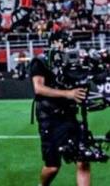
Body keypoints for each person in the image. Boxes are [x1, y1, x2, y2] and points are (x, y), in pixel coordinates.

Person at [30, 32, 90, 186]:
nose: (68, 47)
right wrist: (68, 94)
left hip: (69, 114)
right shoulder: (41, 61)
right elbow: (38, 88)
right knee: (52, 166)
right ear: (54, 43)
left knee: (83, 158)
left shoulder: (71, 62)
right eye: (65, 43)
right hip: (50, 116)